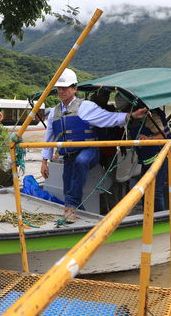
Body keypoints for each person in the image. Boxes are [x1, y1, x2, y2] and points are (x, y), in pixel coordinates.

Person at [40, 69, 147, 223]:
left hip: (89, 151)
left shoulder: (85, 106)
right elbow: (49, 137)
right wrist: (44, 161)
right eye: (59, 88)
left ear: (74, 88)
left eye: (66, 88)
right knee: (67, 182)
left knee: (81, 161)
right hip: (68, 154)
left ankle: (71, 207)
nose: (62, 91)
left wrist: (131, 116)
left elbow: (108, 118)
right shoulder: (53, 113)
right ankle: (76, 208)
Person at [125, 105, 171, 211]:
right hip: (146, 159)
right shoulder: (131, 118)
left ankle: (159, 219)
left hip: (160, 156)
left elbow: (163, 136)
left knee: (156, 191)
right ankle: (147, 215)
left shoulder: (150, 115)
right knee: (144, 189)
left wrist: (148, 138)